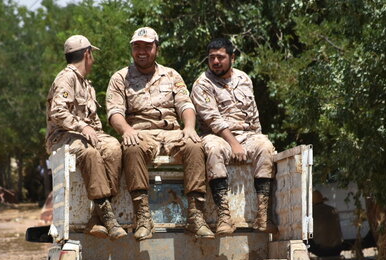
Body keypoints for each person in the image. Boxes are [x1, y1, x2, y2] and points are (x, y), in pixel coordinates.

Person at [106, 27, 214, 241]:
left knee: (194, 145)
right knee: (132, 147)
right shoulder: (120, 77)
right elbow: (114, 112)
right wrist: (126, 130)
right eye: (137, 47)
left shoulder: (172, 75)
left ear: (157, 48)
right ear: (132, 49)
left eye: (147, 46)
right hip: (140, 132)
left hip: (171, 132)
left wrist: (189, 128)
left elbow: (185, 104)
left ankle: (195, 215)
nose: (142, 51)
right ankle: (143, 216)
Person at [191, 38, 277, 236]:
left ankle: (262, 215)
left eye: (220, 57)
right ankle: (224, 216)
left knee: (265, 147)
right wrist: (234, 144)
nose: (215, 62)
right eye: (212, 58)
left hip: (247, 134)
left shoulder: (244, 79)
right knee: (213, 149)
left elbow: (253, 114)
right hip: (216, 135)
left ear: (232, 58)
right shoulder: (202, 83)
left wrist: (257, 136)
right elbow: (213, 119)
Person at [45, 35, 126, 240]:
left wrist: (96, 132)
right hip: (61, 137)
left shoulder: (87, 85)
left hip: (83, 135)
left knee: (113, 147)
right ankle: (107, 215)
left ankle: (97, 216)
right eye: (93, 55)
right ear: (87, 54)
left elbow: (95, 123)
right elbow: (58, 112)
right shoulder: (66, 78)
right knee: (89, 153)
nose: (93, 60)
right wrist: (82, 127)